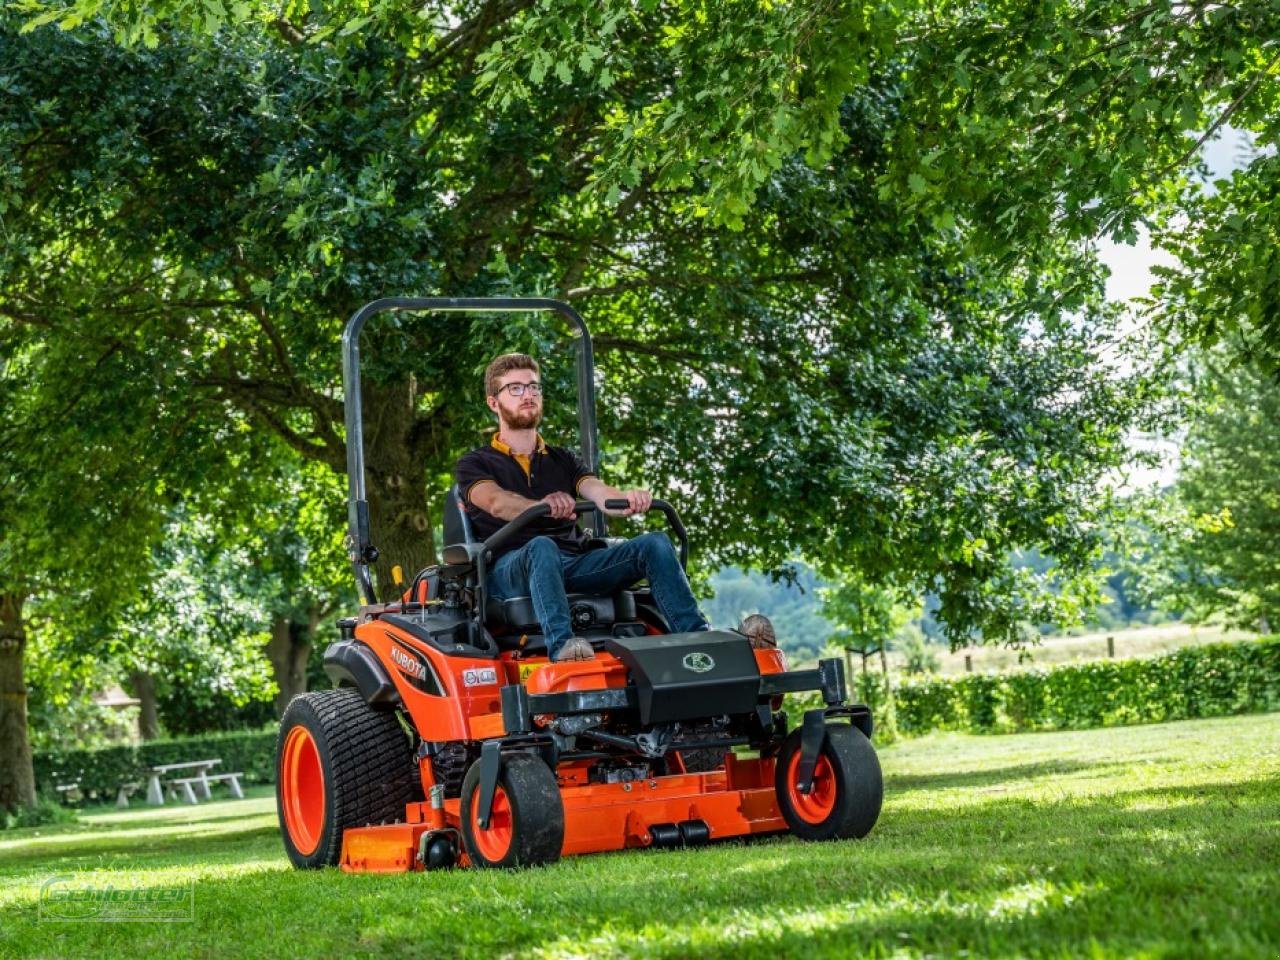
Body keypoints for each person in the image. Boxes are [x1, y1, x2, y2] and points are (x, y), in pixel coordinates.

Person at [454, 353, 711, 661]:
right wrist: (542, 505)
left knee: (654, 543)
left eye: (534, 387)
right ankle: (564, 648)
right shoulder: (476, 463)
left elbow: (598, 492)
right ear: (493, 403)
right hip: (509, 570)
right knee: (542, 547)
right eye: (516, 389)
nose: (529, 395)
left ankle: (699, 640)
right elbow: (495, 502)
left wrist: (627, 499)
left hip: (573, 563)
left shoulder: (563, 459)